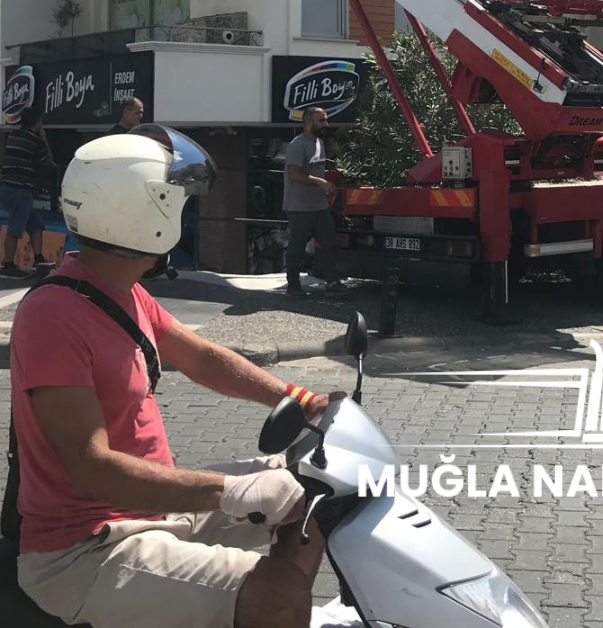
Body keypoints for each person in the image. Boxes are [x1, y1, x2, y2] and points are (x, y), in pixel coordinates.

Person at [10, 127, 336, 628]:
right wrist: (229, 490)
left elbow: (203, 358)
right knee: (279, 594)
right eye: (177, 203)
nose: (183, 214)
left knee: (317, 495)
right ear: (147, 215)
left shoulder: (122, 291)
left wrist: (300, 398)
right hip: (85, 549)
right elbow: (93, 467)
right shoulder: (54, 316)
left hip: (152, 510)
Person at [283, 107, 347, 299]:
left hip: (319, 205)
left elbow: (316, 171)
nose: (326, 124)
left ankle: (332, 282)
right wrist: (322, 183)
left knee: (329, 243)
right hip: (299, 207)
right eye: (322, 120)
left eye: (326, 120)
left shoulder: (319, 142)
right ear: (309, 122)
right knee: (297, 247)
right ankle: (293, 286)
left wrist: (327, 189)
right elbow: (295, 174)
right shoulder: (297, 145)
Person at [0, 108, 55, 280]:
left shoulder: (13, 135)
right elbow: (48, 162)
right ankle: (8, 266)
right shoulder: (36, 141)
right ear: (36, 122)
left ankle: (38, 259)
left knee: (35, 224)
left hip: (7, 186)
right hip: (20, 189)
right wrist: (43, 137)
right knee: (15, 229)